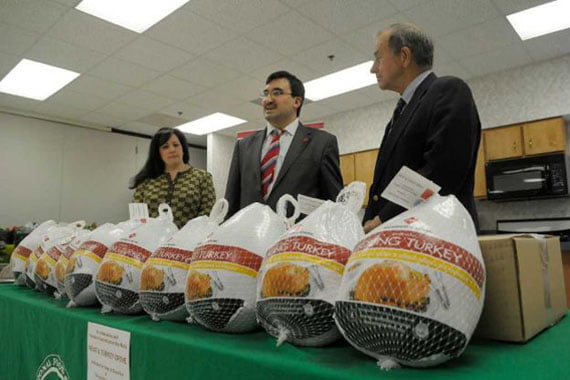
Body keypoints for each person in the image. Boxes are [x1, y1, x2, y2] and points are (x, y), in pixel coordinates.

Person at [363, 23, 481, 233]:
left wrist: (383, 218)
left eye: (379, 58)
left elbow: (440, 172)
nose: (373, 69)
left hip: (437, 238)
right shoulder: (399, 114)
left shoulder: (449, 90)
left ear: (404, 56)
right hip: (399, 236)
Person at [225, 71, 343, 218]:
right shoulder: (243, 146)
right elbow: (231, 201)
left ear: (297, 101)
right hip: (248, 237)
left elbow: (333, 202)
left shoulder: (322, 143)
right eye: (266, 94)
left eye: (277, 93)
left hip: (295, 237)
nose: (268, 100)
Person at [131, 127, 216, 228]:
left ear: (183, 148)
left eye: (176, 145)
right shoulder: (146, 181)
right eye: (165, 147)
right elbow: (137, 219)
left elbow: (207, 213)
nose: (172, 150)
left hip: (190, 241)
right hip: (152, 241)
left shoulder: (202, 177)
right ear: (158, 153)